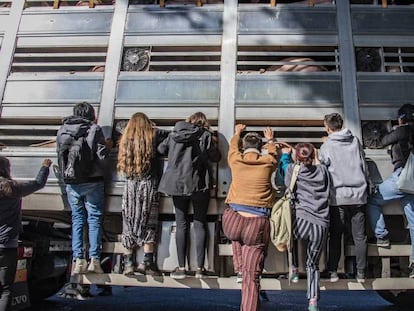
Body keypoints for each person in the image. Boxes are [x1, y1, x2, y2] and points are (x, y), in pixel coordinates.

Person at [157, 112, 221, 279]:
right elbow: (216, 157)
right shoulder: (205, 135)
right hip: (198, 184)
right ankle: (200, 268)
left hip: (176, 184)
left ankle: (181, 267)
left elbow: (161, 149)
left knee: (181, 223)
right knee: (200, 223)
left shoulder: (174, 134)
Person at [222, 124, 278, 311]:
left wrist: (237, 132)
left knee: (236, 234)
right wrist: (270, 140)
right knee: (251, 279)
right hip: (256, 223)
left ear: (244, 147)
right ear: (260, 147)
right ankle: (244, 274)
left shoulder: (236, 161)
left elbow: (232, 147)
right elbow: (274, 153)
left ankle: (239, 268)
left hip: (232, 221)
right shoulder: (268, 162)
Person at [56, 102, 111, 274]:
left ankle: (78, 260)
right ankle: (94, 260)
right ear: (92, 114)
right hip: (93, 180)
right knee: (94, 219)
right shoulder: (94, 129)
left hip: (72, 181)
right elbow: (101, 156)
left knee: (77, 220)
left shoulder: (62, 130)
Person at [319, 113, 370, 283]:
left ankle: (333, 271)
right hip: (359, 196)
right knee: (360, 236)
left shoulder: (327, 146)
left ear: (327, 127)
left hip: (338, 197)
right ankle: (361, 273)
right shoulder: (355, 141)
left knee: (335, 235)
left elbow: (322, 168)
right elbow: (364, 165)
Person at [117, 112, 169, 275]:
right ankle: (147, 262)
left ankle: (129, 263)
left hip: (130, 185)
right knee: (149, 223)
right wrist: (152, 126)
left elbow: (119, 125)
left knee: (128, 223)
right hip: (149, 185)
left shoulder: (125, 138)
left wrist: (132, 125)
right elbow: (168, 134)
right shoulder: (153, 136)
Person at [280, 143, 330, 311]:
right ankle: (313, 301)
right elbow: (325, 178)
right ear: (313, 155)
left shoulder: (293, 170)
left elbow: (287, 184)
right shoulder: (323, 171)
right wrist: (316, 157)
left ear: (297, 157)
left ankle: (293, 268)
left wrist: (286, 155)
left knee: (290, 238)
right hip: (320, 224)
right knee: (312, 264)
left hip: (300, 220)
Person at [367, 103, 414, 278]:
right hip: (412, 184)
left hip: (403, 178)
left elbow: (382, 141)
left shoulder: (403, 130)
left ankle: (382, 235)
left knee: (373, 200)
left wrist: (392, 129)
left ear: (401, 118)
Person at [0, 157, 52, 311]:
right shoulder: (14, 188)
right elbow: (38, 183)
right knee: (5, 288)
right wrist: (44, 167)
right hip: (7, 246)